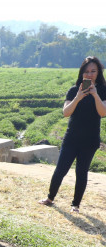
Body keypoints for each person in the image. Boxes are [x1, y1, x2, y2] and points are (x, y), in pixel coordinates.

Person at [39, 56, 106, 213]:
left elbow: (102, 113)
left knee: (81, 172)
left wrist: (95, 95)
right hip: (71, 138)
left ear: (98, 72)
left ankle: (75, 205)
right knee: (61, 169)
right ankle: (50, 198)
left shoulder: (103, 90)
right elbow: (66, 113)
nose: (89, 75)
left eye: (93, 71)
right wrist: (78, 97)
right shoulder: (73, 90)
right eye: (86, 71)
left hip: (90, 140)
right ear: (81, 72)